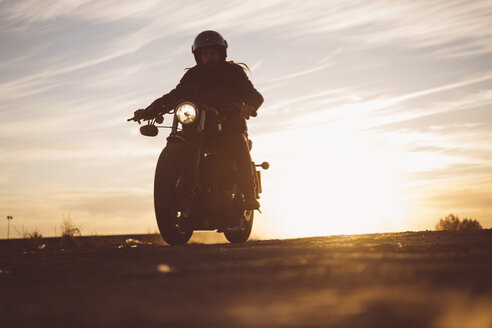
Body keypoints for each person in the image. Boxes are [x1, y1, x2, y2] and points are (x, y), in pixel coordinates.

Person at [134, 30, 264, 210]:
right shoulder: (193, 75)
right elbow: (175, 95)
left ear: (221, 53)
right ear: (198, 56)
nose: (209, 57)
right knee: (187, 138)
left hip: (230, 124)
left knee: (236, 142)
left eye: (212, 53)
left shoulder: (233, 72)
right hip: (199, 125)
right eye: (205, 54)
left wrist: (250, 106)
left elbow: (254, 95)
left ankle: (249, 195)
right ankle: (183, 191)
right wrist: (149, 111)